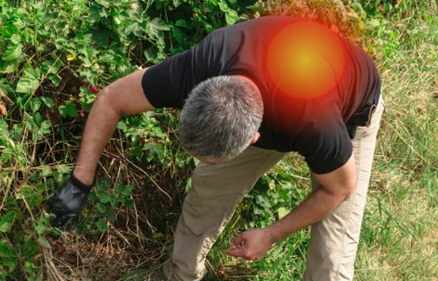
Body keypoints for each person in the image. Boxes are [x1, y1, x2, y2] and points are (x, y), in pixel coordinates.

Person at [47, 16, 384, 281]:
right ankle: (180, 276)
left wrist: (271, 233)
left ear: (253, 139)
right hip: (276, 81)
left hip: (350, 108)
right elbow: (111, 98)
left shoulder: (314, 120)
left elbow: (339, 189)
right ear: (196, 94)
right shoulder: (202, 64)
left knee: (332, 251)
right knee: (206, 193)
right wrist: (80, 182)